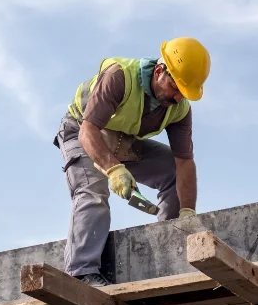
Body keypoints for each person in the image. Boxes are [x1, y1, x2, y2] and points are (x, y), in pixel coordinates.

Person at [54, 37, 211, 286]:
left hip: (121, 140)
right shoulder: (119, 77)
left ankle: (170, 250)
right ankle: (82, 273)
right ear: (160, 71)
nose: (179, 97)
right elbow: (89, 131)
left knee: (171, 171)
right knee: (92, 192)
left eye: (184, 92)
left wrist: (188, 212)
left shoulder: (179, 110)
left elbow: (184, 162)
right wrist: (114, 169)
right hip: (81, 130)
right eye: (176, 88)